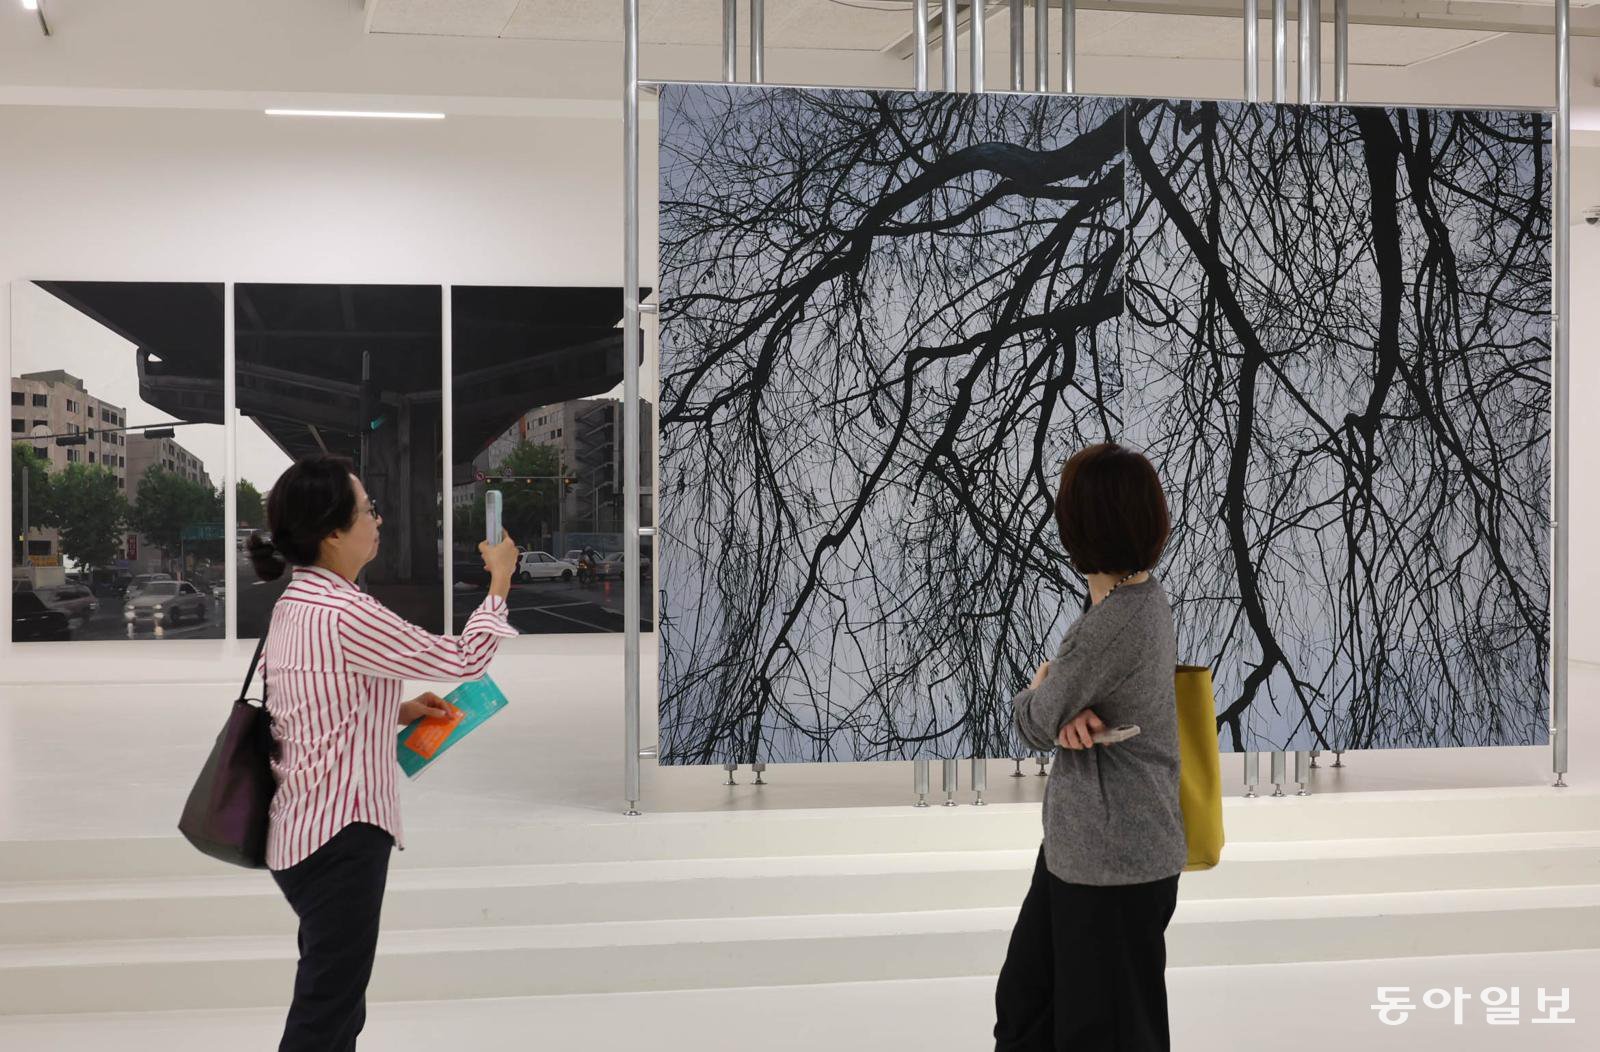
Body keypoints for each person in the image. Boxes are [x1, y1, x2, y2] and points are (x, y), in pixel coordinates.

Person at [245, 455, 519, 1052]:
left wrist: (397, 708)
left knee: (337, 1005)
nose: (379, 520)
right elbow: (465, 659)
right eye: (369, 510)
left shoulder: (294, 604)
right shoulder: (347, 613)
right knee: (326, 1015)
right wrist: (500, 580)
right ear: (333, 531)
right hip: (341, 837)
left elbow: (308, 697)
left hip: (297, 831)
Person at [994, 443, 1188, 1052]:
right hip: (1089, 854)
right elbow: (1067, 708)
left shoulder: (1110, 625)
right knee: (1028, 1002)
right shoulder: (1143, 598)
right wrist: (1065, 707)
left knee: (1099, 1034)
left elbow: (1032, 720)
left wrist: (1045, 689)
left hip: (1112, 863)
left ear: (1083, 526)